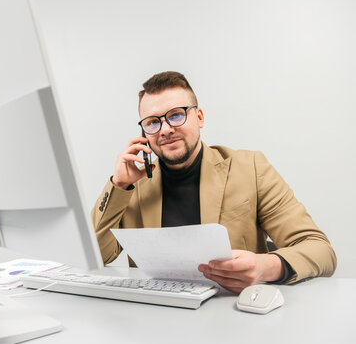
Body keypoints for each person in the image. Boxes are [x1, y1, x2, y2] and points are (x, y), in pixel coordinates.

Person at [91, 71, 336, 293]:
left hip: (234, 316)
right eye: (153, 122)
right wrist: (119, 185)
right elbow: (96, 256)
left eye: (176, 115)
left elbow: (320, 249)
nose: (165, 129)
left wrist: (264, 266)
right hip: (157, 318)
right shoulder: (133, 186)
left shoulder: (249, 167)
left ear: (199, 117)